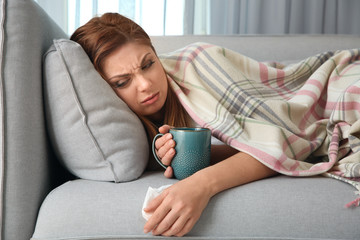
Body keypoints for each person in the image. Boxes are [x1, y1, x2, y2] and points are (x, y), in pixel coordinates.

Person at [70, 12, 277, 237]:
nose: (145, 84)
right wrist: (189, 153)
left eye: (148, 64)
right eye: (122, 82)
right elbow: (254, 148)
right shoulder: (125, 130)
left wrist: (201, 185)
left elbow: (276, 143)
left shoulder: (196, 66)